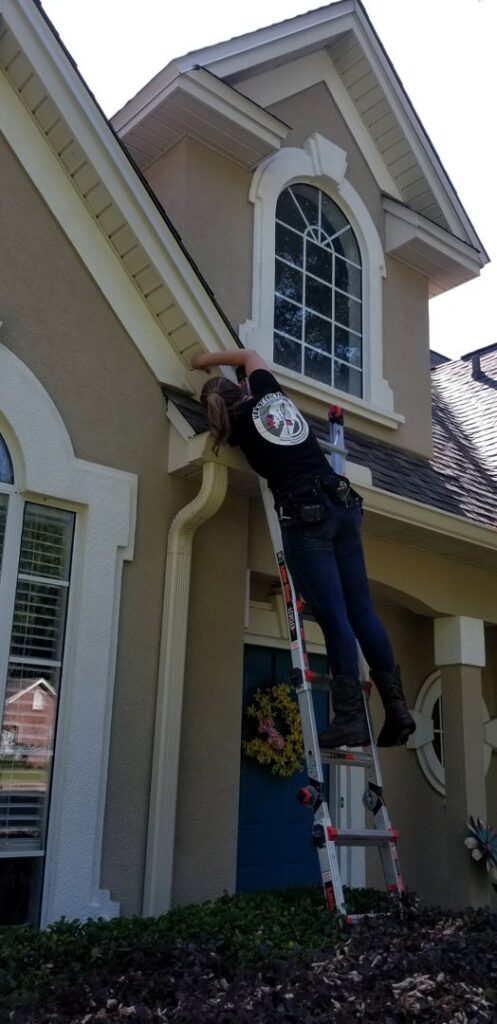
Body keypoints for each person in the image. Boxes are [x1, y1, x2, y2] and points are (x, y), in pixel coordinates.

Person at [191, 347, 416, 750]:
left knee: (335, 618)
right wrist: (203, 359)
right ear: (241, 387)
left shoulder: (237, 430)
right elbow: (249, 354)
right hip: (342, 504)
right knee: (362, 610)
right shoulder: (267, 392)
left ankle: (350, 720)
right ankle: (397, 708)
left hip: (306, 516)